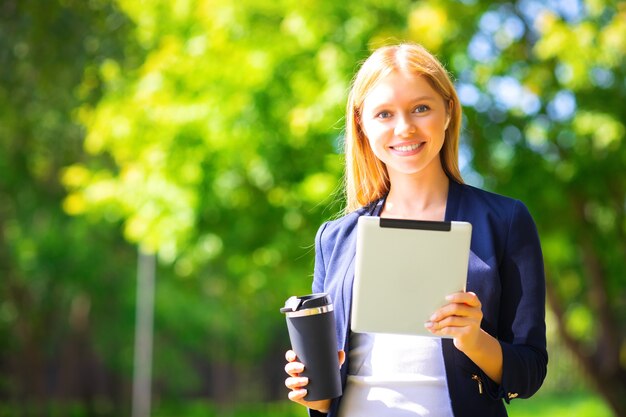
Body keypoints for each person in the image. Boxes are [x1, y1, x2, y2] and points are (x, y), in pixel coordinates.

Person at [284, 42, 547, 417]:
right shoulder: (335, 237)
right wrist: (309, 387)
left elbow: (530, 373)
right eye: (384, 114)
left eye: (421, 108)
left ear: (448, 111)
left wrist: (472, 338)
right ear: (362, 124)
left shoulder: (504, 221)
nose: (404, 127)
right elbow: (324, 400)